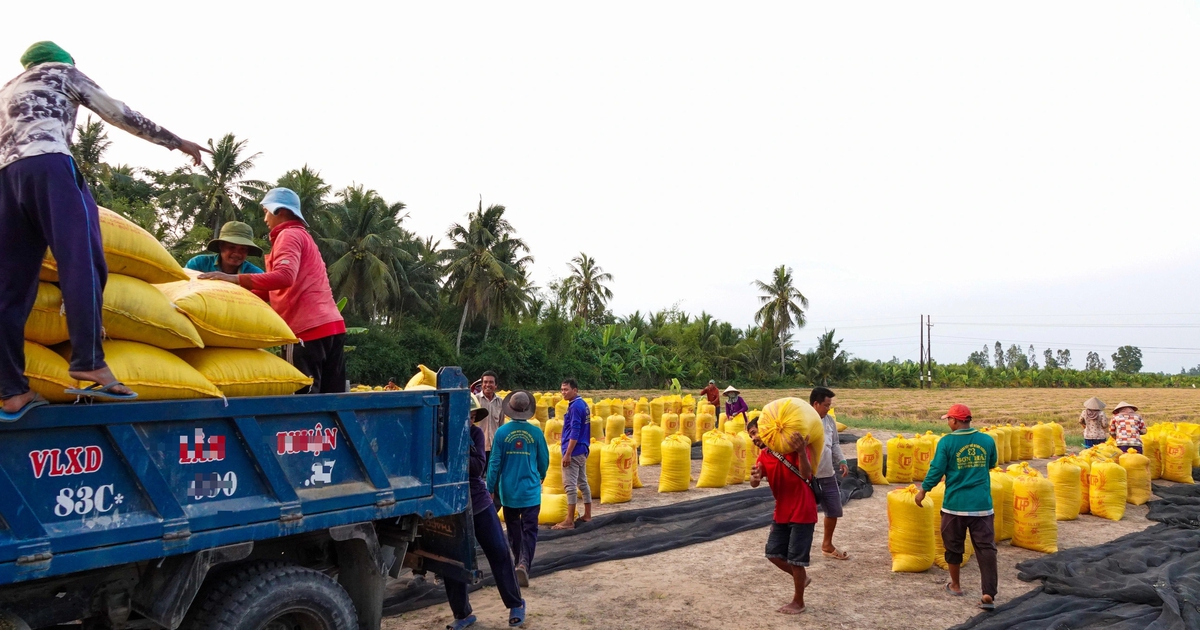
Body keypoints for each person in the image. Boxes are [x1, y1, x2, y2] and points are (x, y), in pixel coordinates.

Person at [0, 41, 209, 419]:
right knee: (83, 258)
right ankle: (89, 361)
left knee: (8, 290)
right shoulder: (60, 72)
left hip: (5, 180)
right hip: (49, 166)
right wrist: (175, 142)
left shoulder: (7, 90)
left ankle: (12, 391)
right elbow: (118, 112)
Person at [199, 188, 346, 393]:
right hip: (331, 327)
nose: (265, 217)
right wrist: (231, 299)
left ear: (279, 211)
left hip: (305, 331)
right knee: (332, 400)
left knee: (301, 400)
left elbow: (285, 277)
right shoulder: (304, 237)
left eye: (266, 211)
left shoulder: (288, 235)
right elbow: (272, 291)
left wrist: (233, 279)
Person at [443, 394, 525, 629]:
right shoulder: (439, 436)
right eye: (464, 416)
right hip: (451, 505)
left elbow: (478, 467)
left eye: (471, 416)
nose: (468, 420)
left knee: (498, 551)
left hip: (477, 502)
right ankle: (463, 614)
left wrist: (457, 449)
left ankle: (516, 603)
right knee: (452, 561)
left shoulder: (475, 435)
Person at [915, 403, 999, 612]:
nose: (948, 423)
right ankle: (988, 593)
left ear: (955, 420)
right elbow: (991, 463)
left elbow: (937, 469)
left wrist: (923, 490)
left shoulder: (947, 442)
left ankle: (956, 585)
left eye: (949, 419)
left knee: (953, 547)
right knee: (986, 549)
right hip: (981, 506)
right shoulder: (987, 440)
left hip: (955, 506)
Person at [748, 418, 816, 615]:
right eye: (751, 434)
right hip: (782, 511)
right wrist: (754, 478)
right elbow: (755, 482)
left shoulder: (793, 448)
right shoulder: (763, 455)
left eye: (756, 432)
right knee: (773, 553)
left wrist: (802, 452)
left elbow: (806, 475)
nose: (753, 437)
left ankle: (799, 601)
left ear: (768, 431)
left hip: (803, 510)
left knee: (796, 559)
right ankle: (801, 579)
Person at [487, 390, 549, 588]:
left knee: (513, 529)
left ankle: (517, 563)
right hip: (530, 491)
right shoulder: (536, 433)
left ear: (509, 409)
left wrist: (490, 487)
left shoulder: (502, 432)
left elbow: (494, 462)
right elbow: (544, 461)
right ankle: (524, 564)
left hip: (509, 491)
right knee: (530, 530)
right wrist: (541, 475)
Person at [809, 387, 850, 561]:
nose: (828, 408)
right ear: (815, 404)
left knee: (834, 509)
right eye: (826, 405)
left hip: (827, 473)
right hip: (807, 476)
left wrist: (842, 460)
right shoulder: (803, 420)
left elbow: (834, 444)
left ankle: (827, 545)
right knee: (804, 514)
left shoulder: (830, 421)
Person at [553, 378, 592, 530]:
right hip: (582, 449)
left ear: (575, 390)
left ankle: (569, 520)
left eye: (566, 389)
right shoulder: (582, 404)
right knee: (583, 482)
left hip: (574, 451)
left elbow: (575, 431)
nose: (563, 392)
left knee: (570, 485)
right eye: (562, 389)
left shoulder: (575, 406)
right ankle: (587, 515)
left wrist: (567, 453)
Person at [185, 221, 264, 275]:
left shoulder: (255, 274)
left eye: (243, 249)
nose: (237, 253)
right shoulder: (198, 264)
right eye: (232, 247)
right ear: (221, 246)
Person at [477, 371, 505, 460]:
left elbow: (501, 425)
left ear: (496, 385)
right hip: (478, 447)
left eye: (491, 382)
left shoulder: (500, 402)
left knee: (493, 473)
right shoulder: (474, 400)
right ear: (481, 384)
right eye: (485, 382)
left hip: (495, 447)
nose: (488, 385)